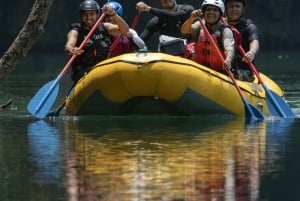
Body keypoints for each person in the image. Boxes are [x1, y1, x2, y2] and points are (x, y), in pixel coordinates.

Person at [64, 0, 129, 83]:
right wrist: (71, 50)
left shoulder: (105, 27)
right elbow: (68, 45)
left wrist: (113, 14)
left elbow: (125, 30)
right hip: (84, 74)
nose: (88, 17)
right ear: (81, 15)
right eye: (85, 14)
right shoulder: (76, 31)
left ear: (97, 14)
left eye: (91, 14)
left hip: (104, 69)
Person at [181, 0, 235, 73]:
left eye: (215, 10)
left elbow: (229, 49)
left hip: (218, 72)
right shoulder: (200, 25)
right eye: (208, 10)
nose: (211, 12)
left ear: (220, 14)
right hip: (199, 67)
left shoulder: (225, 31)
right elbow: (184, 31)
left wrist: (228, 60)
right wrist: (191, 19)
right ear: (204, 12)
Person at [224, 0, 259, 82]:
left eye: (237, 6)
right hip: (223, 67)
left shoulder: (249, 27)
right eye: (231, 6)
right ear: (226, 9)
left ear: (243, 10)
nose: (234, 9)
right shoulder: (220, 25)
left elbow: (254, 41)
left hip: (243, 71)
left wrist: (252, 52)